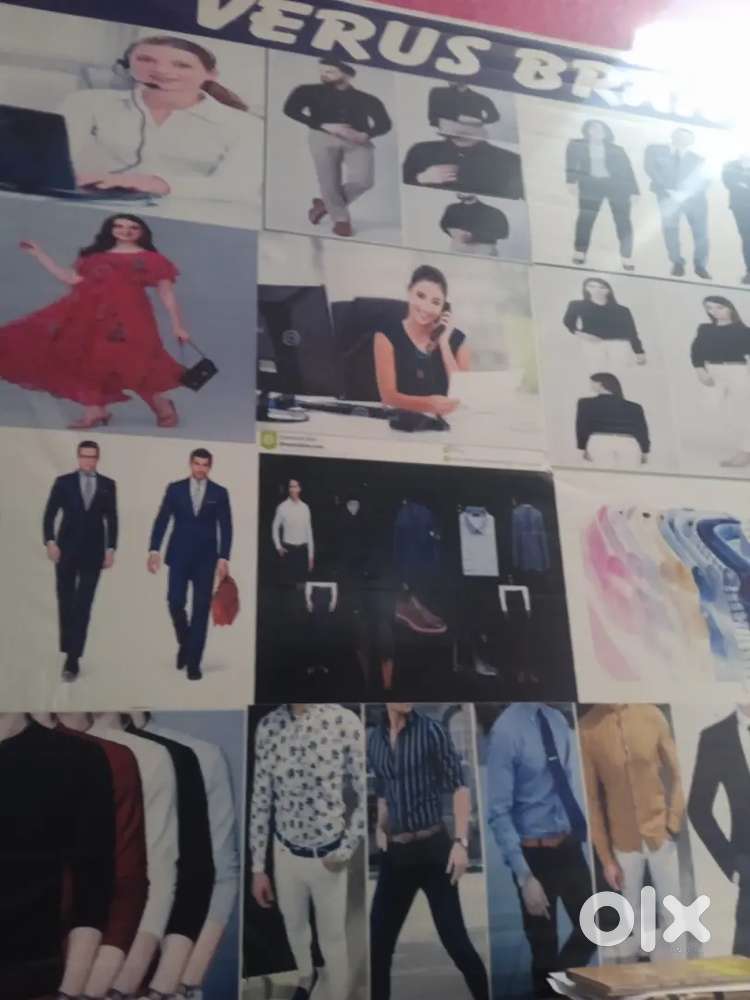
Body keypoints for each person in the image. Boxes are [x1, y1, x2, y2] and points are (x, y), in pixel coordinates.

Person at [0, 214, 187, 429]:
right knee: (89, 360)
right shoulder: (95, 256)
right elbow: (71, 278)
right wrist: (40, 255)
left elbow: (166, 293)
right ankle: (95, 411)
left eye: (133, 227)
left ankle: (162, 404)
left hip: (132, 316)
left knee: (137, 360)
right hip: (89, 315)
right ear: (110, 229)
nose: (125, 231)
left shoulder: (152, 259)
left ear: (142, 231)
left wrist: (178, 325)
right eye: (119, 226)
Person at [369, 703, 489, 1000]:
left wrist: (461, 843)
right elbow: (384, 792)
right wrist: (380, 827)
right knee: (377, 949)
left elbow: (459, 787)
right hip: (395, 856)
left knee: (456, 943)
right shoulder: (375, 739)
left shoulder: (431, 731)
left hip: (433, 851)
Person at [59, 35, 261, 206]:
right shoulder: (85, 102)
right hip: (91, 202)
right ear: (127, 65)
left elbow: (240, 188)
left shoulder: (246, 125)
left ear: (211, 75)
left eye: (182, 65)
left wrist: (154, 183)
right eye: (146, 59)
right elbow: (57, 161)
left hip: (188, 213)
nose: (162, 71)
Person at [250, 703, 366, 1000]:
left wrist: (346, 849)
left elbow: (367, 791)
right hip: (285, 855)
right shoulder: (269, 725)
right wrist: (258, 868)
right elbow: (261, 798)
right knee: (294, 926)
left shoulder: (343, 721)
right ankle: (306, 976)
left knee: (333, 938)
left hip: (328, 857)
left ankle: (338, 994)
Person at [486, 703, 596, 999]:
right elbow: (498, 812)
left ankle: (554, 988)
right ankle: (551, 989)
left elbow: (566, 782)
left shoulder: (557, 719)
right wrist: (525, 877)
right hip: (534, 856)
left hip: (568, 847)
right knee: (544, 950)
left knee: (597, 925)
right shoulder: (506, 730)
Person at [579, 704, 685, 961]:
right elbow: (591, 801)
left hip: (661, 833)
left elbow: (679, 774)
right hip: (622, 841)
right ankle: (645, 972)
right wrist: (606, 858)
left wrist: (673, 824)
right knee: (633, 915)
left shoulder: (651, 715)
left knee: (673, 911)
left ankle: (678, 972)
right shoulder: (588, 728)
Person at [148, 448, 233, 680]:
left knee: (201, 609)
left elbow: (226, 526)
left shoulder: (219, 492)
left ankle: (194, 663)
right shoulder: (175, 489)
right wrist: (154, 549)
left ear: (210, 467)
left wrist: (224, 557)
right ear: (190, 463)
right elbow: (162, 519)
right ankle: (185, 642)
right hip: (179, 556)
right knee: (175, 601)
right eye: (197, 463)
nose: (200, 468)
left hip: (206, 559)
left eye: (205, 465)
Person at [283, 57, 392, 238]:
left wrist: (365, 135)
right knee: (329, 181)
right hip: (322, 137)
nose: (324, 74)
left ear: (347, 74)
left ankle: (324, 205)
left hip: (357, 139)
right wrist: (325, 125)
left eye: (330, 71)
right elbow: (290, 109)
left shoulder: (367, 99)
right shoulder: (307, 91)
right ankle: (341, 220)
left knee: (364, 181)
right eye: (322, 70)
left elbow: (385, 124)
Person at [42, 440, 118, 682]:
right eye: (85, 456)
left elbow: (112, 518)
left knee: (83, 604)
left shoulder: (108, 485)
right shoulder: (63, 482)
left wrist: (111, 548)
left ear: (98, 458)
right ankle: (68, 645)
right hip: (65, 551)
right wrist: (50, 542)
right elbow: (50, 514)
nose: (88, 461)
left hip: (93, 553)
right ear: (78, 457)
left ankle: (72, 659)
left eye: (92, 457)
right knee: (66, 602)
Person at [688, 705, 750, 956]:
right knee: (745, 963)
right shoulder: (716, 737)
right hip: (748, 862)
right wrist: (731, 863)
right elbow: (698, 808)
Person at [373, 265, 470, 419]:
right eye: (420, 296)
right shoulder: (386, 335)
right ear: (409, 292)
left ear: (444, 308)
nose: (426, 307)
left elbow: (465, 396)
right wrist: (428, 404)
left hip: (449, 426)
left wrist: (444, 343)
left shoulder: (458, 340)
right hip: (399, 424)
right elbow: (388, 396)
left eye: (435, 302)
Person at [565, 118, 639, 269]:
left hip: (617, 187)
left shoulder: (617, 149)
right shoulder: (576, 144)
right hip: (590, 185)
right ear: (587, 130)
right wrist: (571, 181)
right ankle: (580, 252)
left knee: (623, 221)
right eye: (593, 127)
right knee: (586, 218)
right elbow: (570, 163)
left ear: (606, 133)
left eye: (601, 129)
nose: (597, 131)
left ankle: (626, 257)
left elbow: (627, 169)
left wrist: (634, 191)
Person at [690, 295, 750, 468]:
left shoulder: (744, 331)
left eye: (719, 307)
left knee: (744, 413)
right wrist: (700, 370)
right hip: (713, 371)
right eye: (709, 308)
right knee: (711, 408)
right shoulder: (705, 329)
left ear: (729, 308)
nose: (714, 311)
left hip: (737, 371)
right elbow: (696, 351)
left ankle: (745, 452)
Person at [644, 127, 711, 279]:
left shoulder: (698, 159)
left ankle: (700, 265)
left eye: (687, 137)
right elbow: (650, 169)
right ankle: (677, 263)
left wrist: (686, 193)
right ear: (673, 135)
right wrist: (668, 191)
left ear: (692, 141)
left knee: (701, 233)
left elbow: (705, 180)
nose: (683, 139)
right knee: (670, 229)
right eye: (680, 135)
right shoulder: (655, 150)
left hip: (694, 201)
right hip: (668, 197)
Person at [402, 126, 524, 199]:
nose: (459, 128)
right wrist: (422, 178)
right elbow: (401, 189)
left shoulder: (511, 160)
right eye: (451, 120)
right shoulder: (420, 150)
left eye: (470, 123)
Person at [563, 276, 646, 369]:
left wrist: (639, 351)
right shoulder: (577, 305)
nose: (597, 290)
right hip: (592, 344)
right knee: (596, 372)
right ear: (585, 288)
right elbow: (568, 322)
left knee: (621, 371)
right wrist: (582, 334)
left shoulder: (622, 310)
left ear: (608, 290)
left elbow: (631, 331)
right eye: (591, 286)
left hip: (619, 345)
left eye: (602, 287)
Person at [576, 373, 650, 468]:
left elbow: (582, 426)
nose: (591, 385)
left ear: (600, 384)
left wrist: (583, 447)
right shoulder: (635, 407)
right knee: (628, 475)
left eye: (592, 383)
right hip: (629, 443)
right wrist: (645, 450)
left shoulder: (585, 403)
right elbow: (642, 429)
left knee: (602, 475)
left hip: (599, 442)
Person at [439, 194, 509, 255]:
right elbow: (444, 225)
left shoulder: (493, 212)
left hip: (482, 251)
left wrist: (474, 236)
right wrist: (455, 232)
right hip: (458, 250)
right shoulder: (452, 208)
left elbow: (503, 233)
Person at [722, 154, 750, 283]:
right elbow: (731, 183)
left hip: (741, 205)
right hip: (741, 208)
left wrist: (743, 182)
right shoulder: (730, 165)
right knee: (748, 238)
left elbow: (740, 184)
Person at [427, 83, 500, 129]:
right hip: (443, 132)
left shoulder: (480, 98)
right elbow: (432, 118)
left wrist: (476, 121)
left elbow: (495, 116)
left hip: (471, 134)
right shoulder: (438, 92)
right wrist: (458, 118)